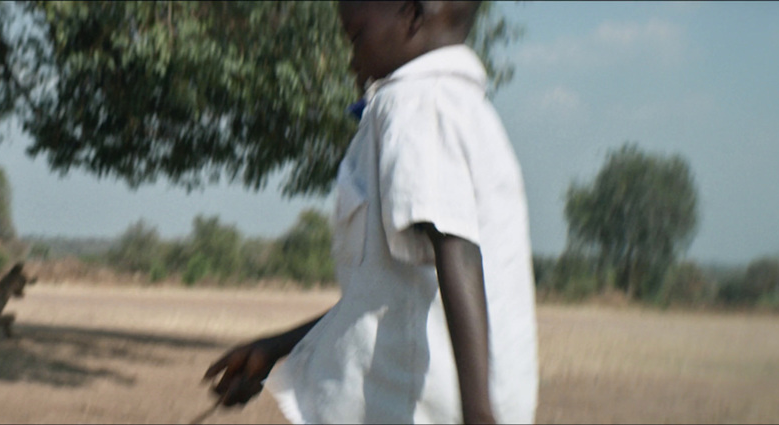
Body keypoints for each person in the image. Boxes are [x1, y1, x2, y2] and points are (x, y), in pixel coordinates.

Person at [202, 1, 538, 424]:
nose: (350, 61)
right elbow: (393, 297)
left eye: (355, 37)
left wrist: (480, 414)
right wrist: (277, 347)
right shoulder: (463, 109)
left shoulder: (416, 102)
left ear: (413, 14)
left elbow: (455, 246)